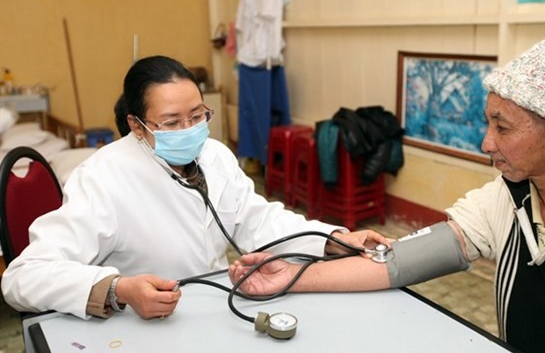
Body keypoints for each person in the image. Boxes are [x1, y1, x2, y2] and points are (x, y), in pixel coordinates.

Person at [229, 33, 545, 353]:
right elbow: (399, 262)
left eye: (502, 127)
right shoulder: (506, 197)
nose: (486, 143)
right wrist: (293, 276)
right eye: (488, 123)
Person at [1, 55, 388, 321]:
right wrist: (118, 290)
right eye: (171, 122)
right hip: (145, 330)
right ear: (137, 125)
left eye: (197, 116)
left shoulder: (215, 156)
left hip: (221, 307)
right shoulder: (102, 178)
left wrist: (333, 239)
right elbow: (23, 277)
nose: (190, 131)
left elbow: (256, 220)